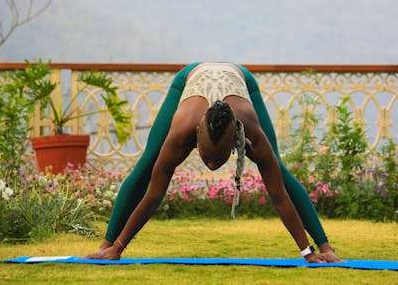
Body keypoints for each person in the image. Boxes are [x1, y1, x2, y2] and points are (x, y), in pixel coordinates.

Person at [86, 62, 341, 263]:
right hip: (191, 77)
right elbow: (154, 194)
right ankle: (106, 247)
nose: (210, 165)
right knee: (147, 164)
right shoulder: (181, 131)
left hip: (241, 80)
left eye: (218, 159)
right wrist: (119, 247)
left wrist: (308, 252)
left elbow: (279, 196)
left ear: (235, 142)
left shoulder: (252, 133)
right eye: (206, 157)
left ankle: (326, 247)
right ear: (196, 137)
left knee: (279, 172)